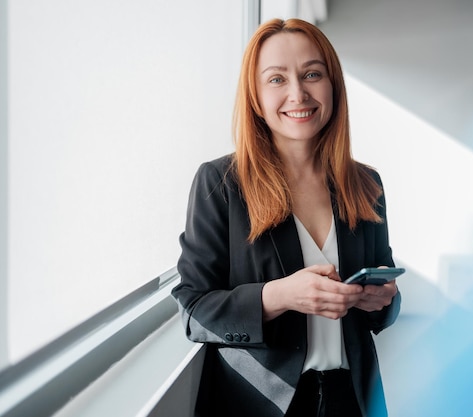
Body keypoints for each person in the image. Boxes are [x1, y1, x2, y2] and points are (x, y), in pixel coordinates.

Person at [172, 18, 401, 417]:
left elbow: (383, 307)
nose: (298, 93)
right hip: (259, 405)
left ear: (333, 86)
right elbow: (193, 311)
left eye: (312, 74)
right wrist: (279, 295)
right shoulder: (220, 183)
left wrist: (382, 299)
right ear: (256, 98)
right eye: (277, 79)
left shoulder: (366, 183)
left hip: (352, 399)